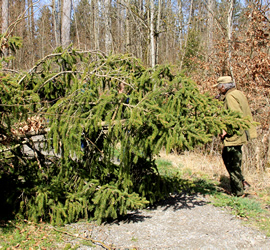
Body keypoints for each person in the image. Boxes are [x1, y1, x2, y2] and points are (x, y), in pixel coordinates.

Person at [215, 76, 257, 197]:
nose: (218, 89)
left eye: (219, 87)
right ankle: (242, 182)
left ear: (223, 87)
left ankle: (238, 192)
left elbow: (235, 116)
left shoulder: (230, 96)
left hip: (235, 135)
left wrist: (225, 130)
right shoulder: (237, 93)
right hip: (241, 133)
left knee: (232, 162)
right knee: (231, 159)